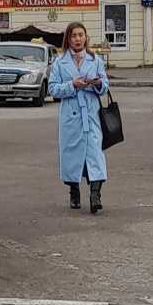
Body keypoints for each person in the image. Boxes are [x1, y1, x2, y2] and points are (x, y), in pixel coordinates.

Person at [48, 21, 109, 213]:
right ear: (68, 38)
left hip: (91, 114)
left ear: (86, 37)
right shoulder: (59, 62)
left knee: (95, 153)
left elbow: (105, 86)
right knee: (72, 156)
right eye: (74, 35)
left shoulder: (95, 60)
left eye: (81, 35)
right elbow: (53, 89)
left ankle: (95, 194)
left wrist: (97, 84)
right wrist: (72, 85)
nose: (77, 39)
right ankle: (74, 190)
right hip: (71, 115)